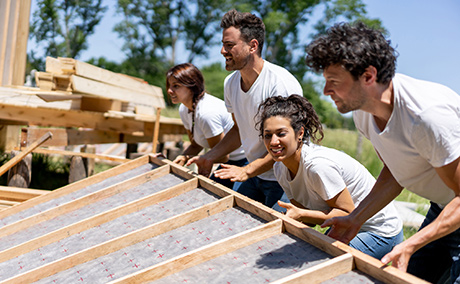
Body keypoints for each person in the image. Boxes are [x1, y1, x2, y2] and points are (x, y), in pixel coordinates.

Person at [305, 21, 460, 283]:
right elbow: (394, 173)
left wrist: (412, 243)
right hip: (445, 208)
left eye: (334, 81)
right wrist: (355, 219)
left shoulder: (426, 117)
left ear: (368, 76)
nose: (325, 91)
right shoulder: (363, 114)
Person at [256, 94, 403, 259]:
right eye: (268, 135)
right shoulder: (280, 168)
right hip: (344, 226)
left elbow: (347, 214)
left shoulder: (317, 166)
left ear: (300, 133)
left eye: (281, 134)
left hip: (377, 230)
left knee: (322, 262)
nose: (273, 141)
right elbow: (305, 215)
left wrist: (301, 216)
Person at [186, 9, 303, 210]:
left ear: (253, 46)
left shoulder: (280, 84)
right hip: (255, 173)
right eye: (223, 45)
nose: (223, 51)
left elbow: (289, 144)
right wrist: (209, 157)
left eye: (229, 45)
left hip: (285, 178)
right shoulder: (230, 83)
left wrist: (247, 170)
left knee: (274, 238)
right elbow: (239, 129)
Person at [166, 63, 247, 190]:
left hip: (244, 160)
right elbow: (195, 144)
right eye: (169, 86)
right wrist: (182, 158)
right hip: (228, 161)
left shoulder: (206, 113)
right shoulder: (184, 109)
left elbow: (222, 155)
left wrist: (191, 159)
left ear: (192, 86)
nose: (170, 91)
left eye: (176, 86)